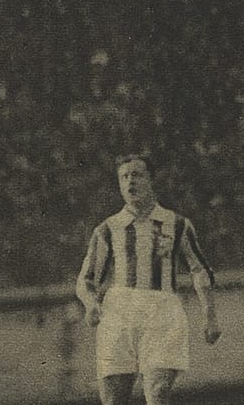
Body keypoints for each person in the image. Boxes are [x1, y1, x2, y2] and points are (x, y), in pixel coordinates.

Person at [76, 154, 221, 405]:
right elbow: (86, 279)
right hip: (119, 311)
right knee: (113, 399)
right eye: (124, 177)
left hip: (162, 309)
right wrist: (91, 304)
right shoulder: (108, 229)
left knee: (158, 392)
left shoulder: (177, 224)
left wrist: (209, 316)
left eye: (137, 175)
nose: (130, 181)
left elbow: (199, 270)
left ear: (151, 180)